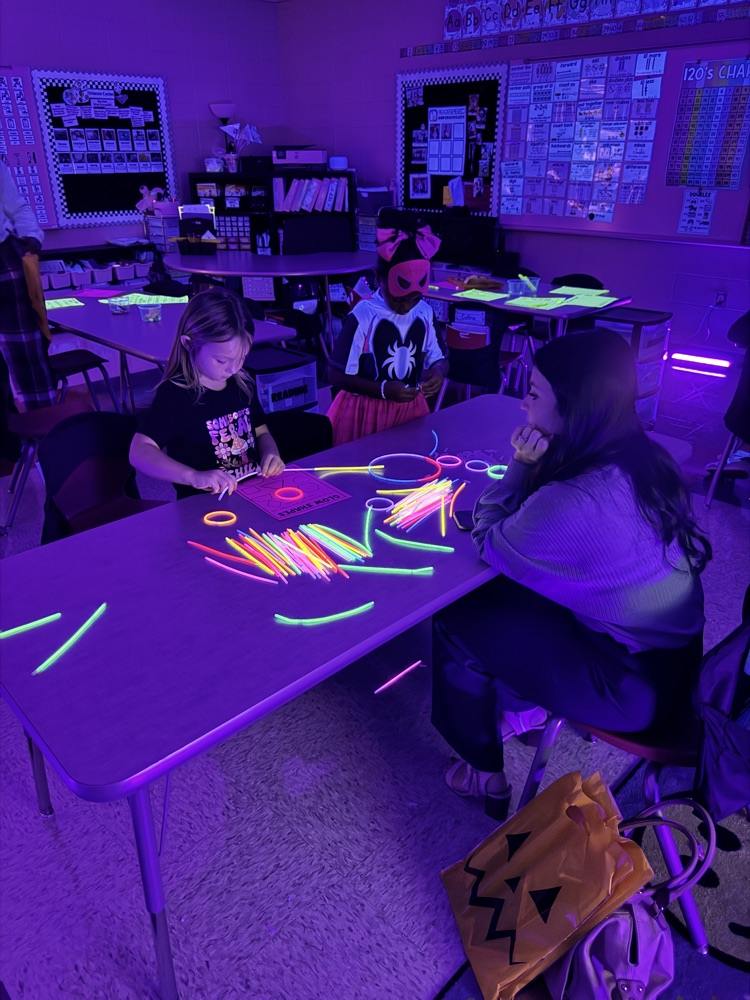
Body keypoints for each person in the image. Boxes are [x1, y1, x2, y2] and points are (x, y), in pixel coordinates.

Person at [431, 330, 711, 819]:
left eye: (534, 393)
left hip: (633, 691)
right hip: (677, 665)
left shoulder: (576, 501)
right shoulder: (644, 457)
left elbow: (487, 538)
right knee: (517, 594)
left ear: (575, 407)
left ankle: (483, 772)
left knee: (456, 618)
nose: (523, 405)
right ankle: (527, 709)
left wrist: (521, 464)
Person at [130, 287, 284, 498]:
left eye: (242, 357)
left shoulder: (242, 382)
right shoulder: (176, 394)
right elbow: (139, 451)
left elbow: (261, 431)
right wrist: (193, 476)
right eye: (221, 360)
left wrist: (270, 453)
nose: (233, 369)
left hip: (250, 494)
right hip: (202, 505)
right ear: (188, 344)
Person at [326, 213, 448, 445]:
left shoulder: (424, 312)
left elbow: (440, 359)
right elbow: (335, 374)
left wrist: (438, 372)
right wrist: (382, 389)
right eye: (398, 299)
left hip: (410, 410)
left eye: (414, 299)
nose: (406, 307)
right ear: (378, 278)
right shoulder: (363, 314)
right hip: (364, 413)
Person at [0, 161, 56, 410]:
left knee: (27, 354)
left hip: (4, 259)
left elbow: (17, 206)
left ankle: (46, 426)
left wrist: (31, 235)